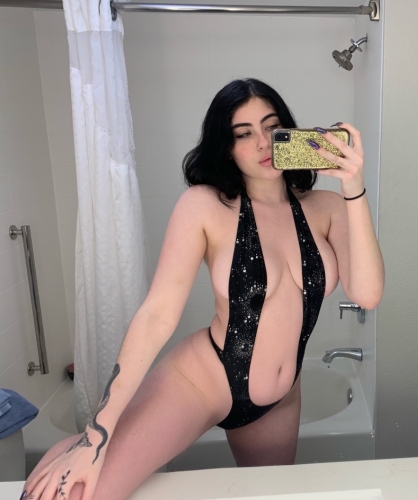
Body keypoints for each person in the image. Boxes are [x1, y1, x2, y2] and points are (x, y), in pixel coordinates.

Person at [22, 78, 384, 500]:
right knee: (80, 491)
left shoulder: (328, 208)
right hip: (201, 381)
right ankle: (71, 451)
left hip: (279, 400)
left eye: (272, 127)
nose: (263, 143)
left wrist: (353, 187)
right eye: (243, 134)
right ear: (226, 147)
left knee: (268, 496)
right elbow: (157, 315)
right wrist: (94, 437)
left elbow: (367, 293)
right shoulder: (204, 206)